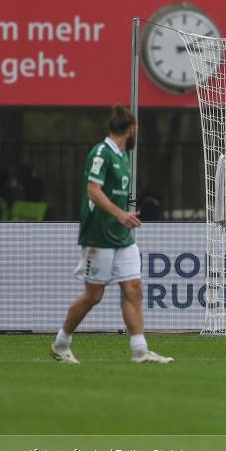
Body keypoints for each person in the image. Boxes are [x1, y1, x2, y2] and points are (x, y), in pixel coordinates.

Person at [50, 105, 172, 365]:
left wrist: (127, 212)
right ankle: (61, 343)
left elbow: (119, 191)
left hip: (122, 236)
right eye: (136, 128)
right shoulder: (101, 152)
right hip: (99, 236)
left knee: (133, 288)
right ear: (131, 129)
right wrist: (119, 213)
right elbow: (93, 190)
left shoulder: (123, 156)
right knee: (93, 296)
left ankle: (140, 351)